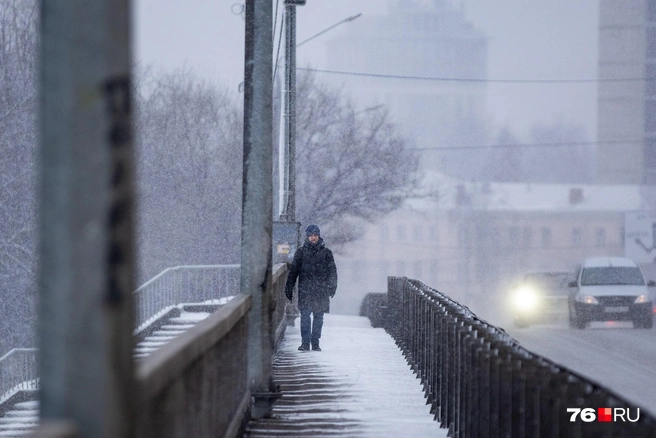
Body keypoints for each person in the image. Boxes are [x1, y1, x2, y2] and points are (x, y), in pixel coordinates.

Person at [285, 224, 338, 351]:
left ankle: (315, 342)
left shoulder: (326, 253)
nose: (313, 238)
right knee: (305, 316)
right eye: (311, 235)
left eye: (315, 235)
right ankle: (305, 342)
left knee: (318, 317)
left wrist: (332, 286)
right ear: (307, 237)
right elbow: (293, 272)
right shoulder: (301, 252)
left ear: (318, 236)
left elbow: (332, 271)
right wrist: (289, 287)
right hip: (306, 290)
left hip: (321, 290)